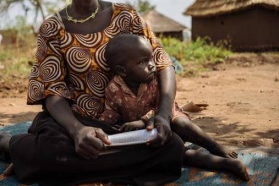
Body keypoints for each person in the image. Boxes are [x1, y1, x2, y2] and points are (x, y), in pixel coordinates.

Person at [0, 0, 185, 186]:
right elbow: (52, 92)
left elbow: (163, 62)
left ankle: (36, 157)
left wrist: (161, 115)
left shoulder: (126, 17)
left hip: (124, 125)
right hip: (75, 121)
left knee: (172, 148)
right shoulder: (53, 28)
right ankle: (9, 143)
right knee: (54, 151)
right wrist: (77, 131)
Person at [99, 34, 249, 181]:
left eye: (151, 58)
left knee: (181, 123)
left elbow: (162, 108)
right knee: (179, 155)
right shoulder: (113, 88)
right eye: (143, 62)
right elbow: (110, 111)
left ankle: (214, 146)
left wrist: (143, 121)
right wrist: (105, 126)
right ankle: (227, 164)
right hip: (150, 135)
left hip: (168, 120)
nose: (152, 64)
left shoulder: (155, 82)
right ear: (122, 71)